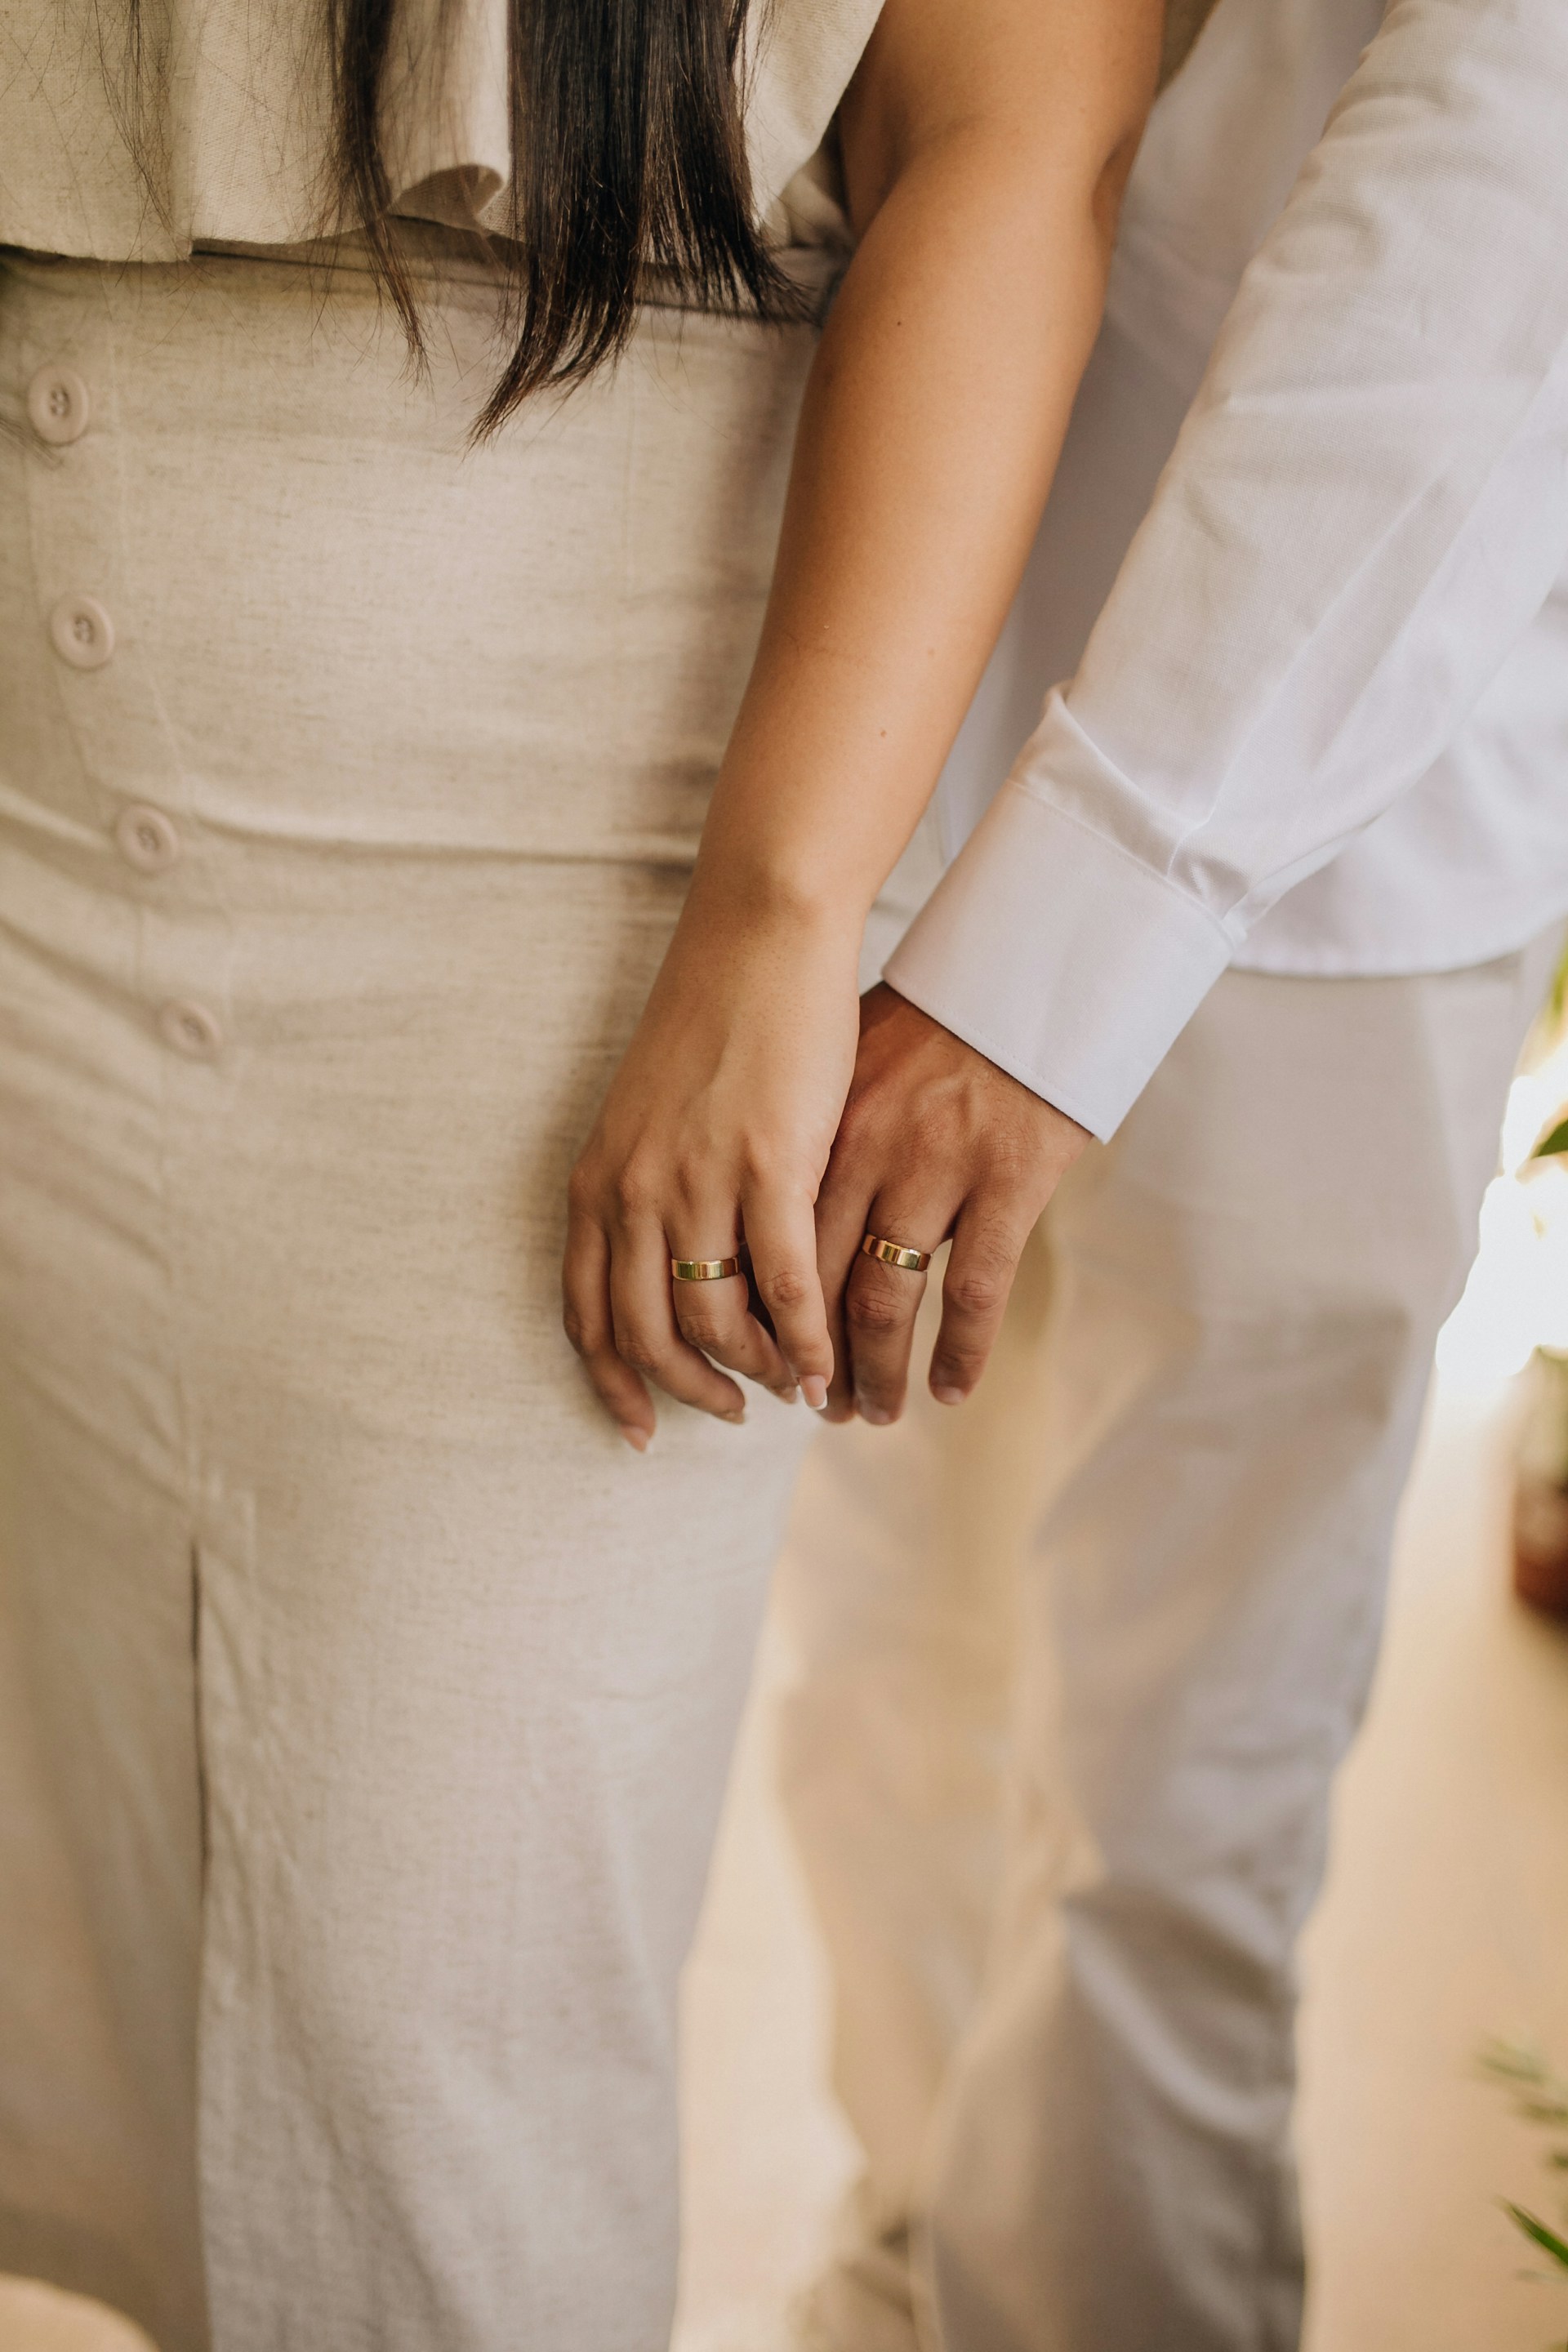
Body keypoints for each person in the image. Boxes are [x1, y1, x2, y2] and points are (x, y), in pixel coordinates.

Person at [0, 1, 1203, 2346]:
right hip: (38, 856)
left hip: (569, 882)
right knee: (102, 1937)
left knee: (440, 2044)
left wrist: (777, 912)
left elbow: (1020, 134)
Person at [768, 0, 1568, 2345]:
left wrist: (1083, 919)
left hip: (1329, 828)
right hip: (876, 704)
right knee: (880, 1700)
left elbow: (1496, 188)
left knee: (1168, 1811)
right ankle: (906, 2278)